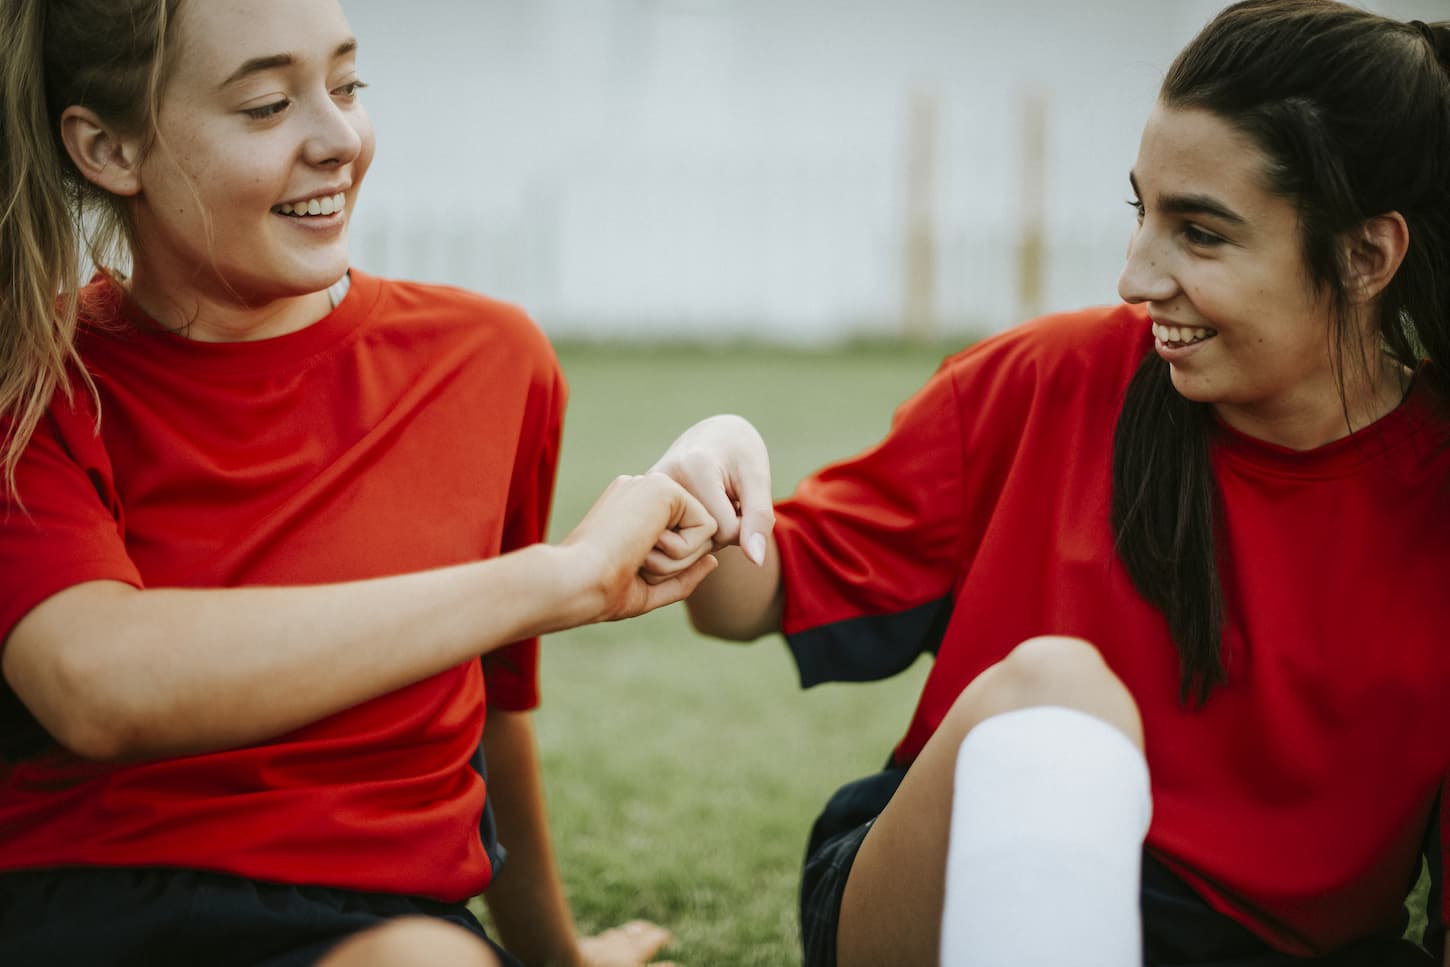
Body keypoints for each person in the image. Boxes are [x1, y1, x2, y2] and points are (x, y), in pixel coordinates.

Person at [649, 1, 1450, 964]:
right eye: (1139, 212)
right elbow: (749, 597)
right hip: (944, 890)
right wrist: (709, 472)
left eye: (1199, 234)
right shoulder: (1055, 378)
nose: (1134, 276)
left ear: (1368, 256)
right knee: (1053, 685)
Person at [0, 1, 718, 965]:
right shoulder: (32, 374)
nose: (339, 139)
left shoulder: (492, 362)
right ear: (108, 149)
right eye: (265, 105)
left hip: (377, 927)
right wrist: (564, 577)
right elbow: (98, 682)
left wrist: (558, 955)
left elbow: (489, 713)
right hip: (75, 911)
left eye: (346, 86)